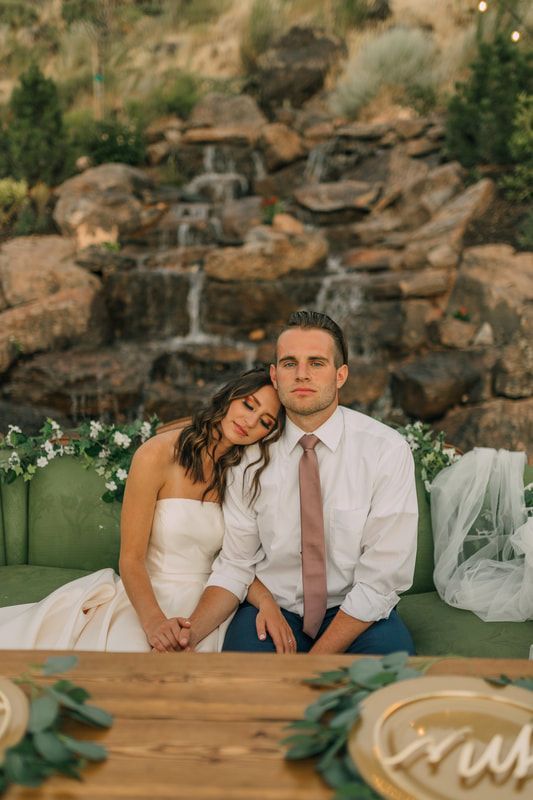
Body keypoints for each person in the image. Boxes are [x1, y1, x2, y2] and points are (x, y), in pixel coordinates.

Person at [0, 368, 295, 653]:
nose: (250, 421)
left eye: (265, 422)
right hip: (148, 596)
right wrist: (154, 623)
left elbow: (236, 562)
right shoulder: (157, 454)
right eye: (248, 404)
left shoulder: (246, 471)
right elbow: (130, 558)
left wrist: (266, 601)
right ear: (231, 396)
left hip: (212, 601)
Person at [177, 311, 419, 655]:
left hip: (359, 614)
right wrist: (188, 638)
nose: (302, 374)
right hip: (274, 610)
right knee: (245, 690)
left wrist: (313, 660)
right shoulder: (248, 457)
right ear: (274, 376)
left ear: (341, 375)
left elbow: (382, 578)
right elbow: (235, 564)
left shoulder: (386, 450)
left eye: (316, 363)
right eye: (289, 363)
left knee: (386, 688)